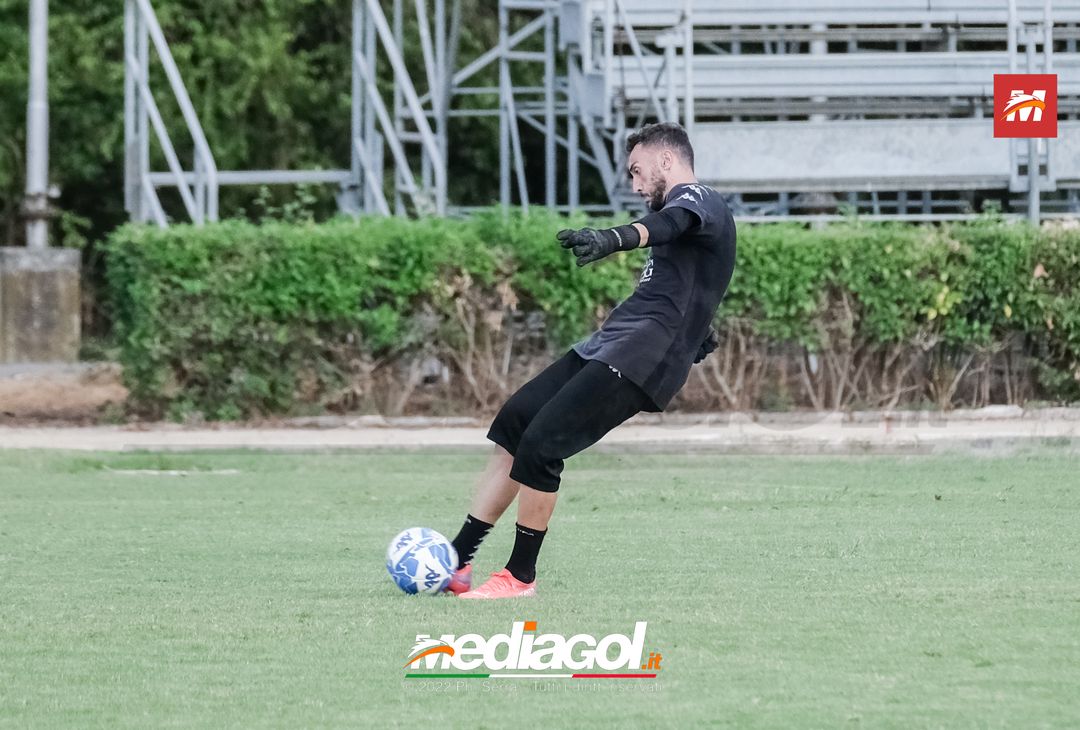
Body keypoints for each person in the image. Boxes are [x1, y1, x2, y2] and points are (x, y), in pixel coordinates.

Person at [448, 122, 737, 599]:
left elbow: (671, 225)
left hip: (642, 355)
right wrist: (698, 329)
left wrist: (612, 239)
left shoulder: (698, 200)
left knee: (543, 446)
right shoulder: (684, 217)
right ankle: (457, 561)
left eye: (637, 171)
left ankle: (520, 577)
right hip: (612, 342)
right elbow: (692, 281)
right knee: (516, 423)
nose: (635, 184)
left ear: (667, 161)